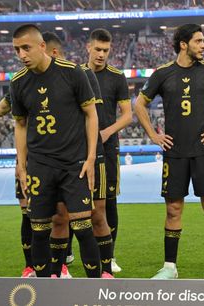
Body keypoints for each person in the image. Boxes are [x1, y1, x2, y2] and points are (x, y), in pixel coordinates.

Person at [134, 23, 204, 280]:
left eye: (203, 41)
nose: (203, 45)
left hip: (203, 152)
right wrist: (153, 134)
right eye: (198, 41)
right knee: (173, 209)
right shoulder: (163, 74)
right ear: (183, 44)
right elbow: (139, 104)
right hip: (174, 153)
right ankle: (170, 268)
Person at [10, 24, 100, 278]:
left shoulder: (72, 73)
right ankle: (43, 293)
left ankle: (97, 293)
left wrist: (91, 157)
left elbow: (91, 114)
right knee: (39, 229)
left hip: (74, 164)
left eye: (26, 48)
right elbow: (20, 124)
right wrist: (22, 165)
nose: (21, 55)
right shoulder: (18, 83)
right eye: (17, 50)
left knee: (83, 227)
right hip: (40, 166)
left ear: (42, 46)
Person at [43, 31, 114, 278]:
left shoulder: (82, 75)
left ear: (49, 51)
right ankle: (58, 271)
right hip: (59, 160)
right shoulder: (35, 80)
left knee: (96, 215)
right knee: (60, 218)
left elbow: (92, 116)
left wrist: (92, 156)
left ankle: (105, 272)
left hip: (90, 157)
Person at [86, 28, 132, 273]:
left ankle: (109, 256)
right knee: (75, 202)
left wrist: (106, 132)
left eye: (106, 50)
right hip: (80, 151)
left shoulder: (117, 77)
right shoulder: (77, 74)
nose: (102, 54)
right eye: (98, 49)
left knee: (109, 202)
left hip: (108, 148)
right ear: (88, 48)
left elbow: (127, 115)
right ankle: (71, 253)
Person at [0, 95, 36, 277]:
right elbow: (1, 108)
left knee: (58, 214)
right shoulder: (20, 83)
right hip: (27, 156)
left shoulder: (63, 76)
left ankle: (60, 262)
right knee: (27, 213)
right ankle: (30, 266)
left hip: (57, 154)